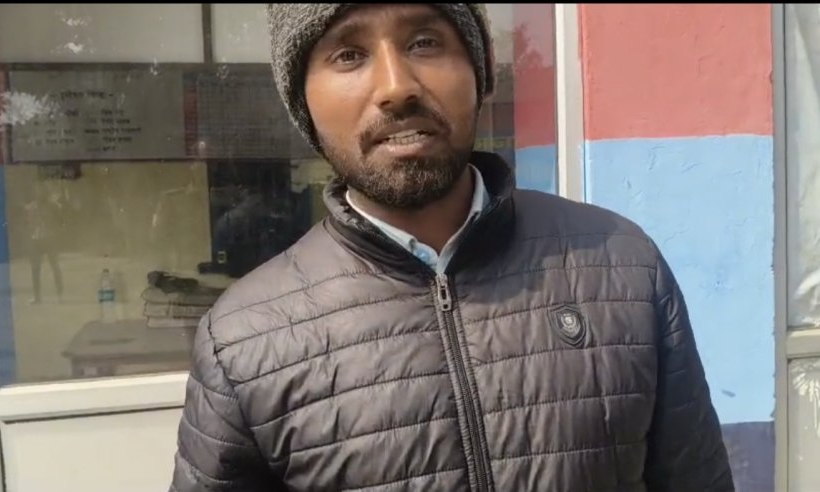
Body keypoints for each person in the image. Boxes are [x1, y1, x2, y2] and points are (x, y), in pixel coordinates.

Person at [169, 4, 734, 491]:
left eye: (424, 42)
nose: (396, 86)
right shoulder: (244, 340)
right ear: (303, 102)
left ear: (478, 70)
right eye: (348, 54)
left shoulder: (621, 266)